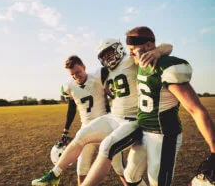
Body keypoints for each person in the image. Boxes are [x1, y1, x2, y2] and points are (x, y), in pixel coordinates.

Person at [32, 39, 173, 186]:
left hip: (131, 119)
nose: (108, 58)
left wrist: (156, 52)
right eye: (104, 56)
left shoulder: (130, 61)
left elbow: (168, 47)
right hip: (112, 117)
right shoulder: (104, 72)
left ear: (118, 49)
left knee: (116, 159)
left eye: (110, 53)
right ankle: (54, 175)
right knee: (81, 137)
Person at [123, 26, 215, 186]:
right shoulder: (139, 63)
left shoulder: (165, 66)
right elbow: (167, 46)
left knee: (157, 183)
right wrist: (160, 50)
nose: (130, 53)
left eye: (133, 49)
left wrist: (214, 149)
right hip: (143, 132)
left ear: (149, 47)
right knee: (130, 175)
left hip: (164, 135)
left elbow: (196, 109)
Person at [34, 55, 127, 186]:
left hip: (105, 127)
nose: (77, 76)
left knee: (120, 169)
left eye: (78, 72)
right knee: (81, 171)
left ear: (84, 67)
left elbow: (112, 87)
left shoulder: (97, 76)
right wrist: (65, 131)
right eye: (73, 75)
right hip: (86, 129)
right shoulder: (68, 87)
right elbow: (72, 108)